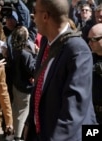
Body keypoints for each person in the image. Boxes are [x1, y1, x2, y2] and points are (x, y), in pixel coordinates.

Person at [25, 0, 97, 141]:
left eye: (35, 12)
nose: (33, 17)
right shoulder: (47, 43)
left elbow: (73, 112)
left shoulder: (78, 51)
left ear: (45, 16)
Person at [8, 26, 37, 141]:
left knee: (16, 110)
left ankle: (14, 133)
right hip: (25, 87)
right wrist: (37, 55)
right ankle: (18, 136)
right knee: (23, 112)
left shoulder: (14, 50)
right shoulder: (26, 53)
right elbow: (33, 69)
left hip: (16, 84)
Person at [88, 23, 102, 124]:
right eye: (89, 39)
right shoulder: (88, 59)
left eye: (94, 39)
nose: (90, 43)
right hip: (92, 116)